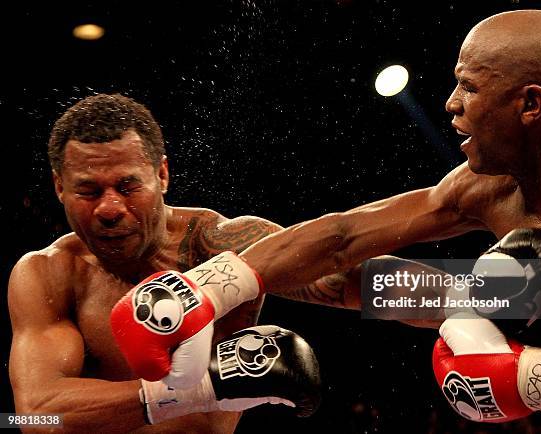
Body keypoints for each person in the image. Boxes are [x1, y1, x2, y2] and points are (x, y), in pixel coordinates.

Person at [153, 9, 541, 425]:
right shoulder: (490, 187)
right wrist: (212, 285)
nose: (451, 103)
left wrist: (536, 377)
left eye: (469, 86)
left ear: (530, 104)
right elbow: (345, 236)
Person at [8, 93, 320, 433]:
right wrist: (208, 386)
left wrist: (390, 229)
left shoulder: (225, 247)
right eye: (89, 191)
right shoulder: (49, 274)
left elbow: (347, 265)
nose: (109, 209)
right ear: (59, 188)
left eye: (127, 186)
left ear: (162, 174)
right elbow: (32, 417)